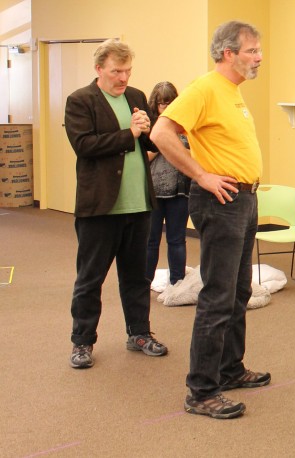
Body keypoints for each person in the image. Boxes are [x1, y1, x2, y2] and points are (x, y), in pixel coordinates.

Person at [150, 20, 268, 420]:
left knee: (237, 291)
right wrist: (200, 175)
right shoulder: (204, 88)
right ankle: (201, 391)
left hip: (243, 198)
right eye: (252, 50)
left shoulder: (232, 92)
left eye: (258, 50)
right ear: (228, 53)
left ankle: (230, 369)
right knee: (217, 296)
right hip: (220, 201)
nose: (259, 57)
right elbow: (161, 133)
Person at [64, 38, 168, 369]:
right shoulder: (81, 100)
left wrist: (154, 130)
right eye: (116, 72)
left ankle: (139, 333)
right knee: (90, 279)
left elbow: (148, 140)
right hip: (100, 208)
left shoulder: (137, 97)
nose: (123, 78)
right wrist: (131, 134)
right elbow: (85, 145)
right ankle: (82, 342)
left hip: (139, 205)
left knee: (137, 276)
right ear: (99, 69)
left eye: (127, 71)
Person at [145, 81, 191, 288]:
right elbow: (142, 158)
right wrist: (162, 142)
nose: (164, 107)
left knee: (176, 239)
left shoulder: (184, 126)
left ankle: (177, 282)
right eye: (161, 104)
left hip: (179, 191)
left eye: (169, 103)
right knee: (150, 241)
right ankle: (144, 282)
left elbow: (193, 156)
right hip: (152, 192)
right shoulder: (147, 127)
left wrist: (174, 145)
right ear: (154, 104)